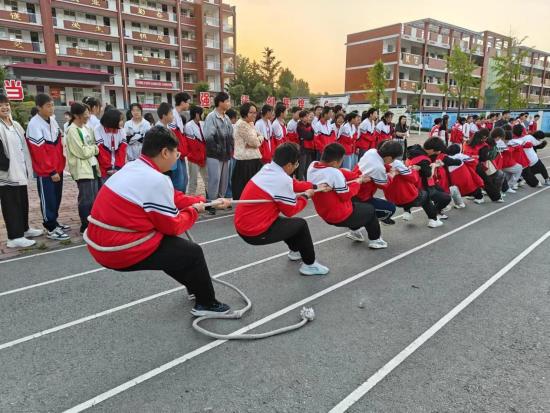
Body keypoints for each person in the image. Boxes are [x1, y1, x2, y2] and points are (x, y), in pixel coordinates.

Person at [85, 126, 231, 316]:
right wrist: (195, 211)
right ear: (164, 152)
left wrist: (208, 203)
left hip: (99, 242)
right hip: (115, 249)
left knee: (173, 252)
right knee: (192, 252)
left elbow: (173, 197)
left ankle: (195, 287)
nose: (177, 158)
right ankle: (207, 303)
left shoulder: (134, 166)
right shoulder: (155, 179)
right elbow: (173, 226)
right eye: (176, 154)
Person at [235, 143, 330, 276]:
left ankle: (295, 250)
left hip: (246, 223)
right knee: (301, 225)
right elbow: (290, 211)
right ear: (289, 165)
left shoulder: (268, 168)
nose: (296, 167)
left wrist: (314, 186)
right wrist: (306, 196)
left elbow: (293, 184)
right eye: (296, 164)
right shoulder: (281, 179)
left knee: (288, 224)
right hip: (253, 231)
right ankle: (310, 264)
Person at [308, 143, 387, 248]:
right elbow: (347, 195)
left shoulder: (313, 165)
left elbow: (339, 172)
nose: (341, 163)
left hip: (324, 213)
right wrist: (358, 182)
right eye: (341, 161)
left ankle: (355, 232)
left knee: (359, 208)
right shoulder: (334, 173)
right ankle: (375, 240)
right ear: (335, 162)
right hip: (339, 215)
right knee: (370, 210)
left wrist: (357, 176)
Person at [0, 94, 43, 248]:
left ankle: (24, 229)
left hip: (20, 169)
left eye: (6, 104)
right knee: (11, 204)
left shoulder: (15, 124)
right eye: (1, 105)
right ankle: (14, 237)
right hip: (6, 173)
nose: (5, 107)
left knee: (22, 201)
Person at [26, 93, 70, 240]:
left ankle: (55, 222)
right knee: (48, 198)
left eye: (52, 105)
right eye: (48, 106)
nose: (51, 108)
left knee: (57, 197)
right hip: (46, 171)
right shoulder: (34, 124)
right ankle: (50, 227)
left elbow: (58, 143)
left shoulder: (52, 120)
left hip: (57, 168)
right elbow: (39, 152)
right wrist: (51, 170)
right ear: (39, 107)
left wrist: (60, 166)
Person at [65, 102, 100, 233]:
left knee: (94, 198)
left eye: (88, 113)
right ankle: (85, 225)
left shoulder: (86, 128)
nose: (87, 116)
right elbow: (82, 152)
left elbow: (93, 146)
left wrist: (92, 148)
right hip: (82, 168)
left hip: (92, 166)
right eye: (85, 114)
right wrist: (94, 149)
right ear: (76, 115)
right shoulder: (72, 130)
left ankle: (93, 223)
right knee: (86, 199)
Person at [354, 141, 399, 226]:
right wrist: (392, 174)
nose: (393, 161)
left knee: (371, 216)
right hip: (360, 197)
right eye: (394, 159)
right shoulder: (378, 168)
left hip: (355, 190)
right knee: (390, 208)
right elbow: (384, 185)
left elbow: (381, 164)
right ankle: (357, 225)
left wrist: (389, 168)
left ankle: (356, 226)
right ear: (389, 157)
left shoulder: (372, 151)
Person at [204, 92, 234, 214]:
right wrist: (219, 149)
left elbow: (231, 135)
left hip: (226, 155)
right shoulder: (211, 117)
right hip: (214, 155)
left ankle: (220, 202)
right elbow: (208, 137)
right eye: (227, 101)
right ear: (220, 102)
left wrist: (230, 148)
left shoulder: (226, 118)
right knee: (214, 179)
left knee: (224, 180)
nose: (229, 103)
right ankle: (211, 203)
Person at [406, 143, 451, 220]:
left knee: (439, 192)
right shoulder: (424, 159)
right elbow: (429, 175)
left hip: (413, 184)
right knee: (445, 198)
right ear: (432, 150)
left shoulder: (411, 154)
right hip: (424, 186)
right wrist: (433, 166)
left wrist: (436, 165)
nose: (437, 153)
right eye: (436, 151)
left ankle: (407, 211)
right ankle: (435, 214)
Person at [231, 102, 263, 200]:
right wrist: (258, 140)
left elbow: (260, 137)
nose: (254, 115)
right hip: (245, 161)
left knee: (255, 188)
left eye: (255, 112)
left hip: (254, 159)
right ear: (245, 113)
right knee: (245, 189)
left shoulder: (250, 123)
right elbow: (255, 142)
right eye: (251, 112)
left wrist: (259, 139)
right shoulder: (241, 125)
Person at [95, 108, 127, 184]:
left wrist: (118, 167)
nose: (122, 122)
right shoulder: (98, 129)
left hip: (118, 169)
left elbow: (122, 150)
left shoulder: (122, 130)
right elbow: (101, 150)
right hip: (104, 169)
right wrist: (108, 167)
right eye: (120, 120)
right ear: (113, 120)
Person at [184, 105, 208, 196]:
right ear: (197, 114)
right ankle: (190, 198)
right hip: (194, 157)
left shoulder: (203, 123)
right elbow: (191, 144)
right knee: (193, 180)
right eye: (201, 113)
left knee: (207, 179)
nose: (202, 115)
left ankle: (210, 199)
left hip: (204, 155)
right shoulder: (188, 126)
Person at [297, 110, 315, 179]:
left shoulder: (309, 124)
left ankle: (307, 180)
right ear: (301, 118)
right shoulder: (299, 126)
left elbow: (312, 135)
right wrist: (309, 134)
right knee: (302, 166)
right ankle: (300, 180)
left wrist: (309, 134)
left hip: (309, 148)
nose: (307, 118)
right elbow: (307, 135)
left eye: (307, 116)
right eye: (305, 116)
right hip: (303, 148)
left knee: (308, 166)